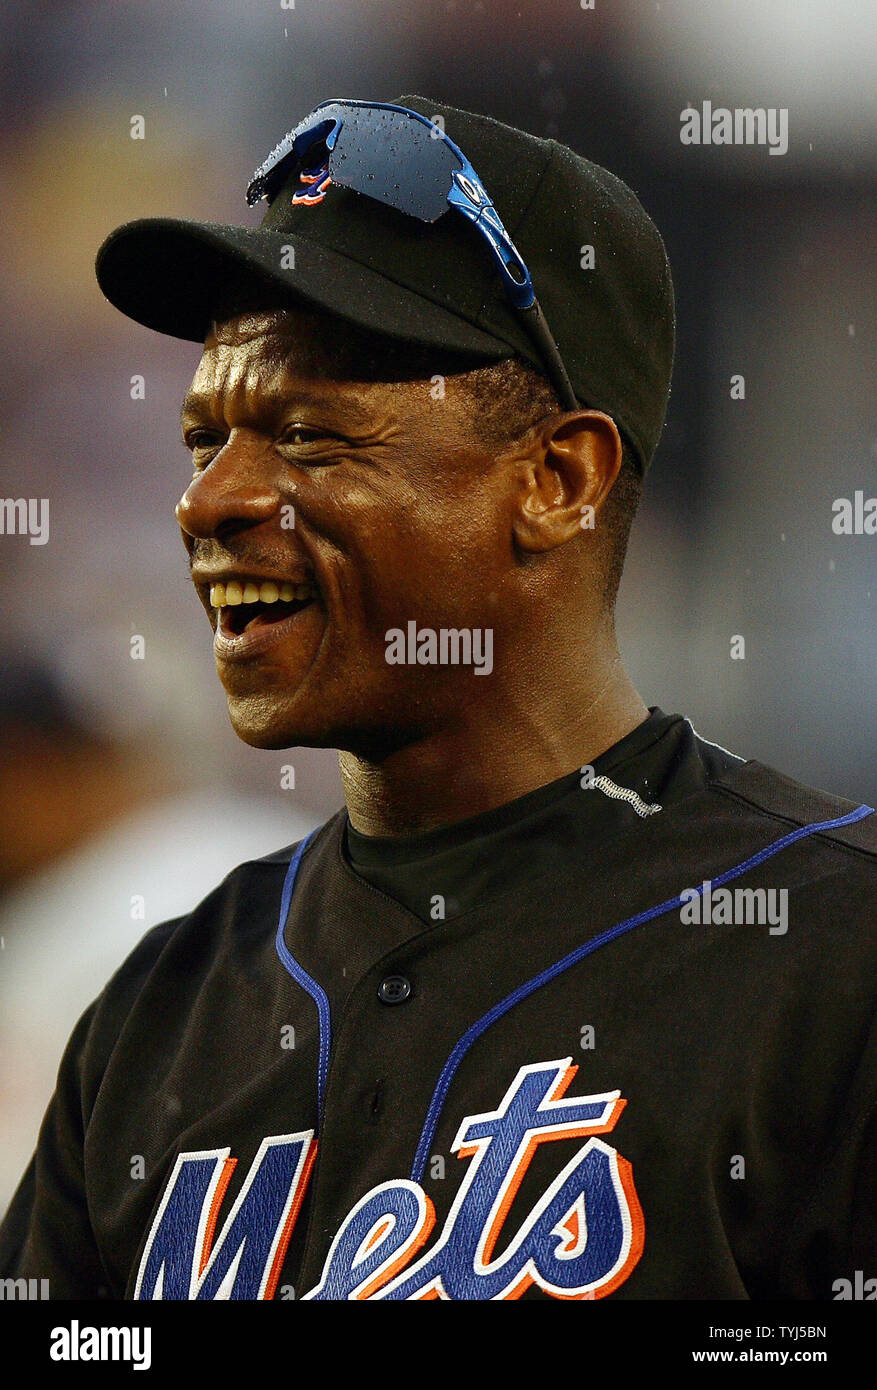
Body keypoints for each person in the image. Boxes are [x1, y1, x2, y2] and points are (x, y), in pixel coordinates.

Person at [1, 96, 873, 1302]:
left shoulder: (830, 957)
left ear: (557, 479)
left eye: (309, 437)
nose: (209, 503)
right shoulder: (160, 1009)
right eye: (205, 440)